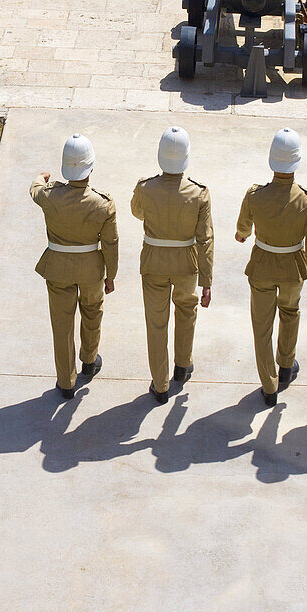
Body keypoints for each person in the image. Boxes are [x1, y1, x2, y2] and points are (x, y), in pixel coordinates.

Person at [235, 127, 307, 406]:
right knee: (290, 312)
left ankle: (269, 385)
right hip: (293, 269)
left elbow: (242, 230)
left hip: (262, 265)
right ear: (296, 161)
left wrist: (243, 234)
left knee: (261, 327)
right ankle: (286, 365)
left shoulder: (255, 195)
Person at [31, 133, 118, 400]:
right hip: (91, 269)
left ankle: (66, 380)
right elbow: (111, 244)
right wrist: (111, 276)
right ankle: (89, 360)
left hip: (58, 268)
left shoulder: (50, 196)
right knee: (92, 312)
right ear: (91, 168)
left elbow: (34, 190)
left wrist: (41, 177)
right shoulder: (103, 203)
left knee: (62, 323)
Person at [131, 126, 213, 404]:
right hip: (186, 263)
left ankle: (160, 383)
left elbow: (137, 212)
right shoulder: (199, 194)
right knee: (186, 312)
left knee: (156, 323)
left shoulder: (145, 187)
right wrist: (207, 281)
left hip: (154, 260)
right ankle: (182, 364)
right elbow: (206, 239)